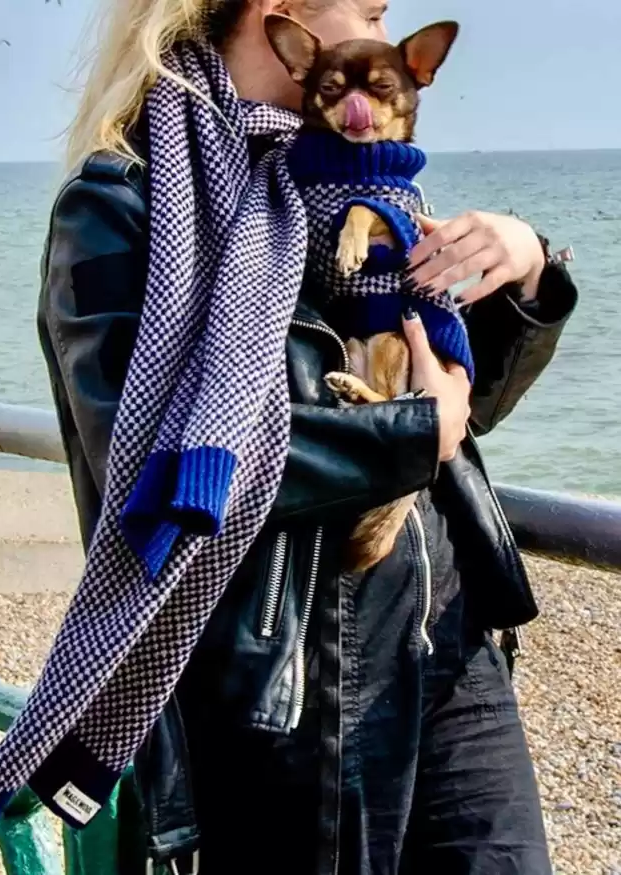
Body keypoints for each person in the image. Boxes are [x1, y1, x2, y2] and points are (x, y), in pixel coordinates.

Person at [37, 0, 577, 872]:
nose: (382, 14)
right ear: (283, 15)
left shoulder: (360, 186)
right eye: (366, 6)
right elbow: (150, 470)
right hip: (293, 688)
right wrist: (412, 433)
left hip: (451, 644)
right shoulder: (124, 203)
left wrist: (526, 271)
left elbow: (458, 415)